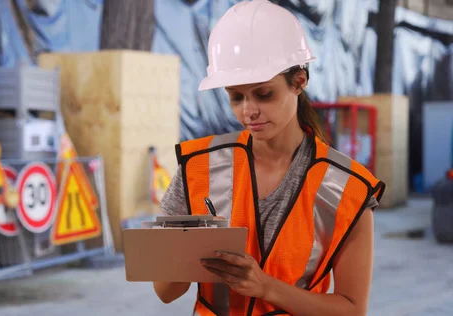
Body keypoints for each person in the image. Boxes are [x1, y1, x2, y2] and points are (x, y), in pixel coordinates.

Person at [152, 1, 386, 315]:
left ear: (299, 82)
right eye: (236, 97)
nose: (248, 111)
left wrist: (266, 287)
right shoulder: (198, 168)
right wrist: (188, 251)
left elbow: (352, 309)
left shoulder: (348, 189)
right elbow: (165, 292)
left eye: (264, 94)